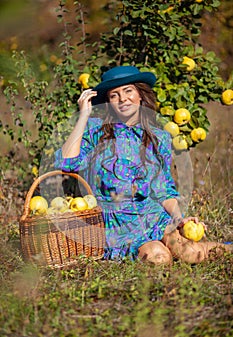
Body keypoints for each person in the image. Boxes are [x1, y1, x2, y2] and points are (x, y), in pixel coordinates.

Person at [55, 65, 230, 265]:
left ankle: (226, 247)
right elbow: (66, 163)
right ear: (109, 103)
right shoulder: (96, 131)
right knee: (158, 257)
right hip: (117, 226)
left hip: (153, 217)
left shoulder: (158, 137)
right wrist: (83, 115)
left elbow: (163, 190)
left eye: (128, 91)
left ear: (140, 94)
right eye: (114, 95)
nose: (122, 99)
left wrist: (180, 219)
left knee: (191, 253)